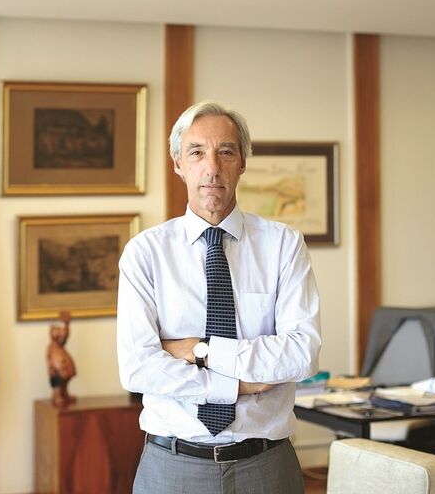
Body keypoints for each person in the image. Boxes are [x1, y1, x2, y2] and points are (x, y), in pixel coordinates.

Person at [116, 100, 322, 493]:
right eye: (196, 152)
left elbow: (301, 354)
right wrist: (238, 385)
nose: (211, 168)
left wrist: (201, 351)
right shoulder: (145, 253)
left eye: (225, 152)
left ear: (242, 163)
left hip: (266, 465)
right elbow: (138, 368)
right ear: (178, 163)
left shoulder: (284, 246)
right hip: (173, 466)